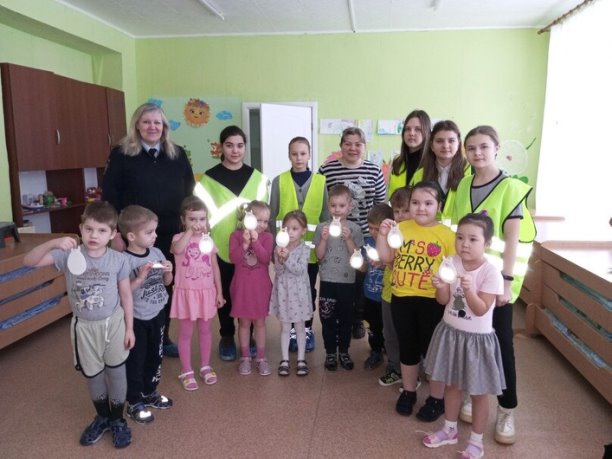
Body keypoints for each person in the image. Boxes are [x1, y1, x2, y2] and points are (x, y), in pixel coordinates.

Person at [23, 202, 134, 449]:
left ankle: (117, 420)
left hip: (114, 325)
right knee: (93, 375)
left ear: (113, 234)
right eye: (89, 229)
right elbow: (29, 261)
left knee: (117, 373)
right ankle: (103, 417)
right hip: (84, 328)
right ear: (81, 229)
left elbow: (126, 296)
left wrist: (129, 328)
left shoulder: (118, 260)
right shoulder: (68, 255)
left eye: (102, 231)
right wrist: (53, 243)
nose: (94, 235)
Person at [451, 125, 536, 445]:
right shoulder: (464, 185)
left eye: (483, 147)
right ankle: (474, 395)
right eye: (471, 148)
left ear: (497, 148)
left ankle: (506, 408)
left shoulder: (510, 187)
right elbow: (456, 231)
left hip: (495, 283)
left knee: (500, 346)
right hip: (466, 279)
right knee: (469, 341)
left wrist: (506, 282)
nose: (477, 153)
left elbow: (512, 239)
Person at [102, 102, 195, 358]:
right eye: (146, 122)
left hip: (168, 234)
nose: (152, 127)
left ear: (164, 127)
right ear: (137, 125)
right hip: (132, 237)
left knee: (163, 284)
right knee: (131, 285)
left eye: (157, 122)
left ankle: (161, 336)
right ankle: (129, 333)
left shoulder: (177, 154)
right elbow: (109, 195)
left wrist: (189, 227)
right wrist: (116, 234)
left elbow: (189, 190)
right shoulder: (121, 154)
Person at [422, 213, 505, 459]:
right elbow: (443, 300)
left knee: (479, 393)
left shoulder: (491, 272)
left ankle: (477, 442)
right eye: (460, 238)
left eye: (473, 239)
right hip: (451, 334)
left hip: (476, 341)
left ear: (487, 243)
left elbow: (481, 309)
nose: (464, 244)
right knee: (451, 384)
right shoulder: (450, 262)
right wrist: (440, 286)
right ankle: (450, 429)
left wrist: (469, 290)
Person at [376, 181, 455, 422]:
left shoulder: (447, 235)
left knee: (433, 352)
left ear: (439, 206)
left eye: (428, 203)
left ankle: (436, 398)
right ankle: (409, 391)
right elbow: (386, 258)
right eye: (416, 202)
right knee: (408, 348)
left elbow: (453, 271)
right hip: (402, 298)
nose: (421, 208)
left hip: (432, 302)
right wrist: (382, 235)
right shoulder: (400, 228)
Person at [196, 125, 269, 361]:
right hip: (221, 245)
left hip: (252, 247)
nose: (235, 150)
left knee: (248, 292)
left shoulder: (258, 178)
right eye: (229, 145)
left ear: (245, 147)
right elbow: (201, 215)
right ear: (221, 147)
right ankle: (227, 335)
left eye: (239, 145)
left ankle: (249, 335)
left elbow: (264, 212)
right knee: (225, 291)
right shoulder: (208, 180)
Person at [318, 127, 386, 340]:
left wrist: (378, 236)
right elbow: (320, 201)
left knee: (360, 279)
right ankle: (337, 316)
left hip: (365, 236)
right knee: (337, 276)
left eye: (358, 144)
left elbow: (380, 204)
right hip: (336, 237)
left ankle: (356, 319)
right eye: (348, 143)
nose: (353, 148)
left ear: (364, 147)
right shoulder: (326, 170)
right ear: (341, 146)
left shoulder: (374, 171)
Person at [269, 136, 328, 353]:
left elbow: (325, 217)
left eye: (303, 153)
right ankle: (291, 330)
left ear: (309, 155)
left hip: (309, 253)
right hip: (285, 251)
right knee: (287, 290)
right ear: (289, 155)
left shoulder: (321, 182)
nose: (299, 158)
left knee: (308, 290)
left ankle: (306, 328)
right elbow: (272, 216)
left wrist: (323, 248)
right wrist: (273, 250)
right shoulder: (279, 181)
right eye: (294, 154)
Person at [118, 205, 174, 423]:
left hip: (158, 314)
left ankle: (150, 392)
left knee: (155, 356)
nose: (155, 235)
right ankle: (134, 401)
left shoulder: (157, 252)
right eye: (149, 232)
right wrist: (140, 278)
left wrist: (169, 272)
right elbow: (122, 293)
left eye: (155, 231)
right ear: (131, 236)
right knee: (136, 360)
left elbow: (167, 283)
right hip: (136, 319)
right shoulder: (124, 260)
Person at [170, 196, 224, 391]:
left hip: (206, 293)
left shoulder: (208, 240)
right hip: (187, 294)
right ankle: (186, 370)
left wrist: (219, 292)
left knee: (205, 330)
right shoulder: (178, 238)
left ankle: (205, 366)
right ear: (183, 220)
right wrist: (189, 232)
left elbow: (215, 267)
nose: (197, 223)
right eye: (192, 219)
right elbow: (177, 250)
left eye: (201, 219)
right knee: (185, 333)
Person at [313, 184, 364, 371]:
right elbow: (319, 256)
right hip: (327, 281)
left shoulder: (355, 229)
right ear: (328, 206)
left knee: (345, 319)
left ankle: (344, 351)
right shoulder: (322, 228)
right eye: (333, 205)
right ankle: (330, 353)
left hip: (347, 282)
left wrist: (349, 238)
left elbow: (356, 256)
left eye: (341, 206)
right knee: (327, 318)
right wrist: (324, 239)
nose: (337, 210)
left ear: (350, 206)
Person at [229, 200, 274, 376]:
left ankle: (261, 358)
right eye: (259, 220)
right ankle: (245, 357)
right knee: (244, 323)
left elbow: (265, 258)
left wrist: (255, 242)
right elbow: (234, 258)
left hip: (260, 288)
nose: (263, 224)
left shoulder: (268, 237)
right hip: (242, 287)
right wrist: (245, 244)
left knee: (260, 323)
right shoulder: (235, 236)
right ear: (248, 218)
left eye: (266, 221)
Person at [269, 210, 313, 376]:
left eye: (295, 228)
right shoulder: (278, 248)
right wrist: (280, 259)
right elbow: (279, 271)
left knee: (300, 327)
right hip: (284, 293)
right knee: (285, 327)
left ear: (303, 230)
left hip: (299, 294)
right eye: (287, 228)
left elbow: (299, 270)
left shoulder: (305, 249)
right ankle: (285, 359)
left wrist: (287, 258)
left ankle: (301, 359)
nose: (291, 232)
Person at [378, 187, 411, 386]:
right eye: (397, 211)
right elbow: (387, 260)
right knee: (390, 334)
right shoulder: (391, 232)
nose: (401, 215)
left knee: (408, 335)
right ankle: (394, 367)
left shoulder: (418, 234)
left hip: (409, 294)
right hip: (389, 292)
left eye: (405, 210)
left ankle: (413, 371)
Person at [409, 120, 470, 222]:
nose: (445, 145)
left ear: (459, 144)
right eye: (439, 141)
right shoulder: (419, 175)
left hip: (461, 229)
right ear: (431, 145)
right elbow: (413, 206)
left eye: (451, 141)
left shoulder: (471, 171)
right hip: (429, 229)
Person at [362, 203, 394, 370]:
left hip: (387, 295)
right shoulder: (368, 242)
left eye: (377, 229)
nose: (374, 232)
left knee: (388, 328)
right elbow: (363, 268)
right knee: (373, 325)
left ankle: (391, 353)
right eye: (370, 228)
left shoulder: (393, 244)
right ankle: (375, 351)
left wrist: (383, 264)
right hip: (370, 293)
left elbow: (395, 264)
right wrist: (359, 263)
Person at [387, 110, 432, 199]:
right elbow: (387, 196)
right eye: (407, 129)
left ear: (427, 132)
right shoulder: (396, 162)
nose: (411, 133)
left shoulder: (433, 163)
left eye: (417, 129)